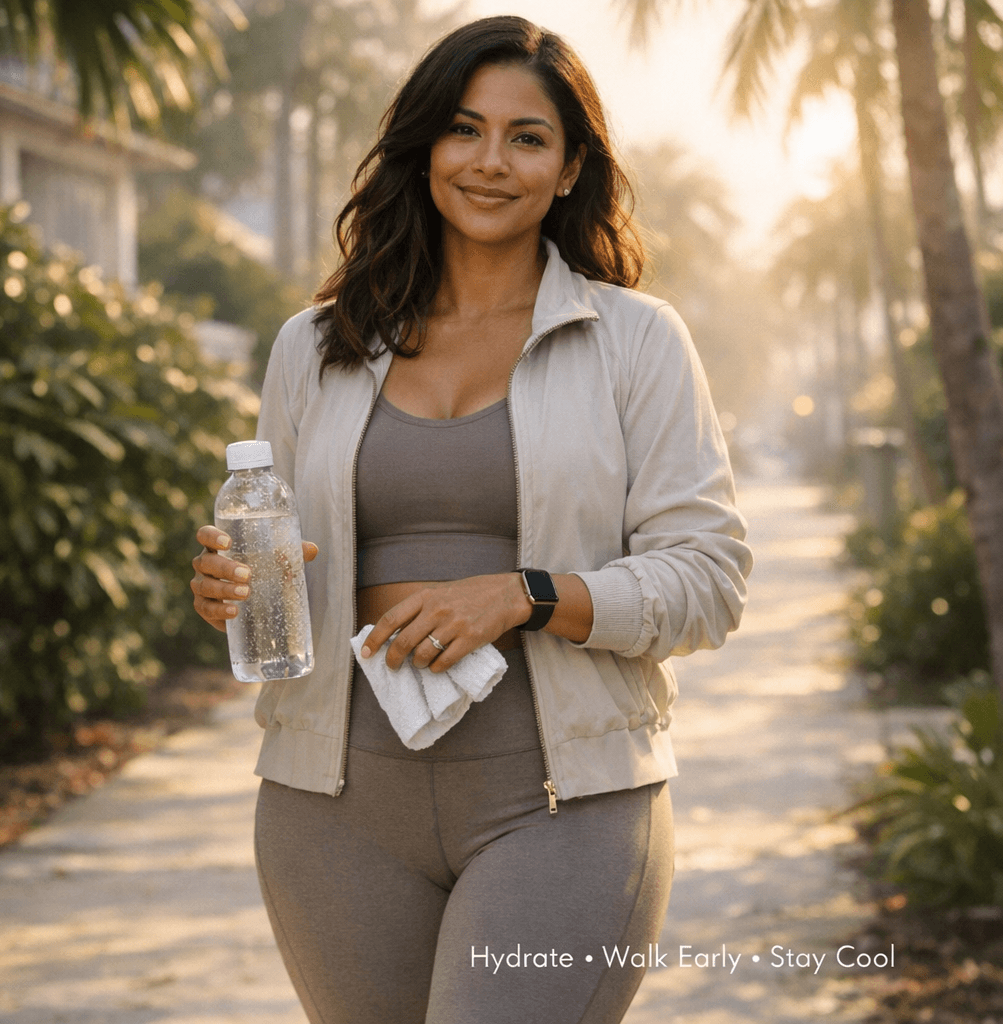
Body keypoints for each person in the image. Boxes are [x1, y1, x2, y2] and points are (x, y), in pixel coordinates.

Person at [190, 15, 751, 1024]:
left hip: (561, 802)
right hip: (332, 807)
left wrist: (526, 594)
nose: (490, 161)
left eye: (527, 136)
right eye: (463, 130)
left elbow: (707, 578)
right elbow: (275, 555)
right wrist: (231, 588)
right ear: (424, 147)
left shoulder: (635, 342)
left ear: (572, 167)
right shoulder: (315, 345)